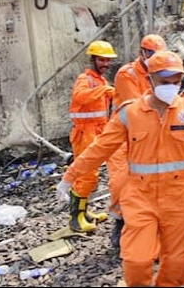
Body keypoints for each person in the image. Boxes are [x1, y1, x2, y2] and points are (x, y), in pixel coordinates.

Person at [56, 51, 184, 287]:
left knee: (176, 265)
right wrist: (70, 177)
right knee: (136, 261)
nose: (171, 86)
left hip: (181, 199)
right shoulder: (129, 113)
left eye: (176, 81)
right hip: (140, 197)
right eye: (164, 81)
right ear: (150, 79)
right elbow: (100, 149)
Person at [108, 34, 167, 248]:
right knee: (120, 182)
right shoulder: (127, 74)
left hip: (148, 134)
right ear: (142, 52)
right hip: (124, 135)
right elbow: (138, 107)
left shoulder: (159, 72)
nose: (154, 58)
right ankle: (119, 223)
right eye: (151, 54)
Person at [66, 40, 117, 233]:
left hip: (97, 131)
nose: (105, 64)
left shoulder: (101, 81)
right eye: (102, 60)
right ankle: (75, 218)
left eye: (107, 60)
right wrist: (104, 90)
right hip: (84, 132)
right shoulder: (85, 79)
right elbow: (80, 97)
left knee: (92, 176)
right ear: (93, 59)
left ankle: (84, 212)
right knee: (85, 174)